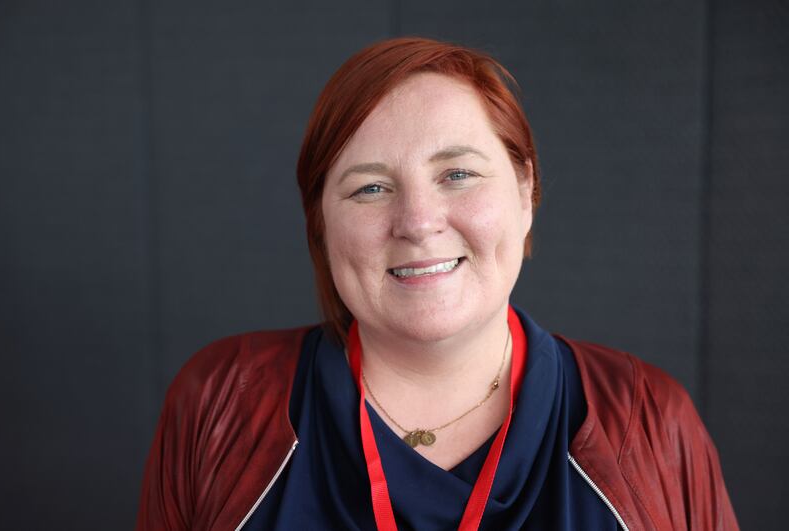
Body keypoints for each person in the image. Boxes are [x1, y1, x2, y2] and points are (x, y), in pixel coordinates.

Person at [136, 37, 738, 530]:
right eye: (371, 187)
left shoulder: (647, 422)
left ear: (524, 191)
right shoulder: (223, 403)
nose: (419, 222)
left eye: (457, 174)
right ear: (320, 223)